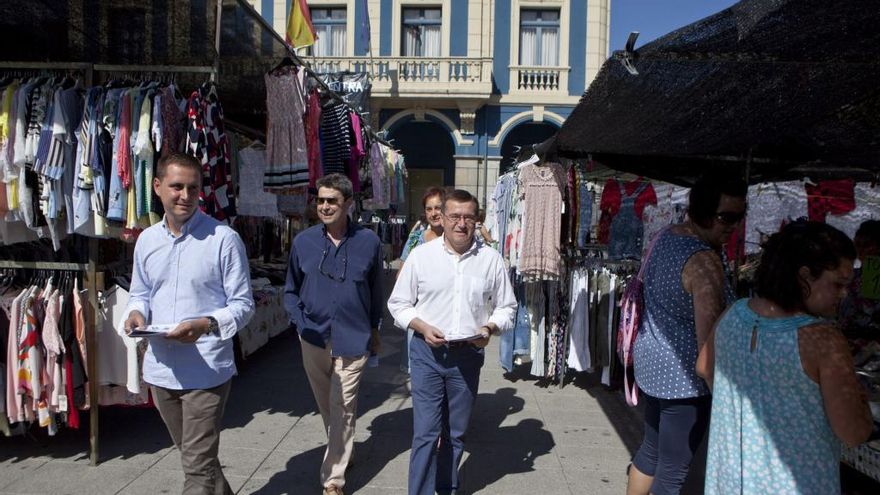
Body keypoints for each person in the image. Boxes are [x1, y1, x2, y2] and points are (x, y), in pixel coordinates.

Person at [698, 221, 873, 494]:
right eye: (838, 284)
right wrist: (861, 403)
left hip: (729, 479)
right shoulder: (824, 340)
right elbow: (853, 432)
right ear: (804, 277)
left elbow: (704, 367)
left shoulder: (733, 314)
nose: (844, 294)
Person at [122, 152, 255, 495]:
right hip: (161, 370)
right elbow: (140, 293)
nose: (184, 195)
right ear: (157, 187)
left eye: (192, 188)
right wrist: (136, 313)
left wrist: (207, 324)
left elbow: (243, 305)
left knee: (196, 467)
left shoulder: (223, 239)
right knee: (197, 457)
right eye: (176, 187)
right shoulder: (147, 241)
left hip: (207, 371)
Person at [387, 189, 517, 495]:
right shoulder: (421, 256)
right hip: (426, 354)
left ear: (477, 220)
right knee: (426, 434)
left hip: (467, 356)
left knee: (456, 433)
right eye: (455, 216)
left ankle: (446, 489)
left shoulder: (490, 260)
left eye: (468, 217)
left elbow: (507, 307)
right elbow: (398, 303)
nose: (462, 223)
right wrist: (420, 324)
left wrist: (490, 327)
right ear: (441, 219)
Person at [627, 173, 747, 495]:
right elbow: (709, 342)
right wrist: (725, 398)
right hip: (684, 382)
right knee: (673, 469)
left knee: (651, 452)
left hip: (652, 366)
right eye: (728, 217)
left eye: (740, 216)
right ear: (705, 213)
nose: (734, 225)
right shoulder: (704, 261)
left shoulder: (666, 235)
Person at [284, 173, 384, 495]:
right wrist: (301, 323)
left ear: (348, 204)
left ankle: (333, 480)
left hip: (354, 339)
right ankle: (344, 449)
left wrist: (374, 329)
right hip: (312, 338)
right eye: (321, 200)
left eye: (332, 201)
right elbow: (290, 291)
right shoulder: (304, 242)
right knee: (327, 405)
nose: (325, 206)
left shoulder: (368, 242)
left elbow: (375, 290)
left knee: (343, 406)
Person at [399, 187, 446, 373]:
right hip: (421, 312)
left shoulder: (457, 238)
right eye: (429, 209)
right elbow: (401, 276)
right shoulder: (415, 239)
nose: (434, 213)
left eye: (438, 208)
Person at [839, 219, 880, 338]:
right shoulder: (852, 275)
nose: (861, 250)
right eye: (858, 245)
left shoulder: (871, 274)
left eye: (867, 245)